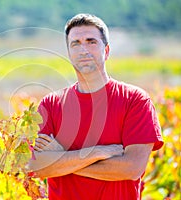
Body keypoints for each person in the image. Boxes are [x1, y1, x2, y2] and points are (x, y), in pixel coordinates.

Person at [28, 13, 163, 200]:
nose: (83, 50)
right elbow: (38, 167)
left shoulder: (135, 100)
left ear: (106, 51)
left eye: (91, 42)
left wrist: (63, 159)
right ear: (69, 53)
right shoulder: (50, 105)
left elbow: (132, 168)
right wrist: (96, 152)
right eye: (75, 43)